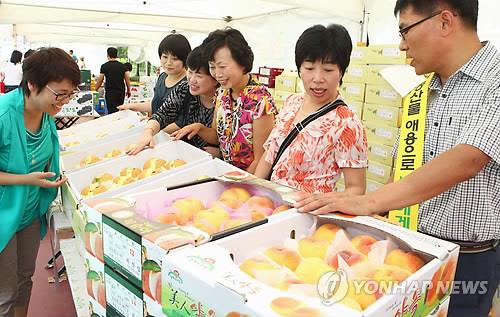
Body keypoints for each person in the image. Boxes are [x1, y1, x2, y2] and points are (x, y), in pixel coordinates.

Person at [296, 1, 500, 316]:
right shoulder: (423, 92)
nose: (402, 44)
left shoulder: (496, 80)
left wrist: (368, 201)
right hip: (409, 248)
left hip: (466, 261)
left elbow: (469, 158)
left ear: (445, 21)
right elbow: (405, 170)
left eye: (405, 30)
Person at [0, 47, 79, 317]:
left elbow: (44, 156)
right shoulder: (3, 115)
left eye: (70, 94)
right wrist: (25, 179)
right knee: (4, 293)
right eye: (60, 94)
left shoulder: (47, 114)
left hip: (30, 211)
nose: (64, 102)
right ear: (32, 84)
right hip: (3, 213)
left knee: (23, 280)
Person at [254, 24, 367, 194]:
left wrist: (324, 204)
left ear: (341, 72)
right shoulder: (292, 102)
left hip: (308, 214)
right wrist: (254, 192)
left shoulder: (347, 122)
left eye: (328, 70)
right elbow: (270, 154)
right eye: (309, 68)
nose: (318, 78)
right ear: (299, 69)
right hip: (271, 205)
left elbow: (356, 188)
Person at [171, 28, 276, 173]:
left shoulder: (260, 100)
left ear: (242, 63)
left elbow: (262, 158)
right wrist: (199, 128)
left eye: (222, 67)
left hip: (249, 180)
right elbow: (218, 137)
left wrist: (241, 183)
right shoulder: (222, 93)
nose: (217, 74)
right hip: (225, 172)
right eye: (212, 67)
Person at [128, 45, 219, 155]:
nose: (192, 80)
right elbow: (163, 113)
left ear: (216, 77)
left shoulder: (225, 99)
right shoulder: (184, 89)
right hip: (187, 153)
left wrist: (221, 152)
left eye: (199, 75)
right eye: (190, 72)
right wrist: (148, 131)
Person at [117, 34, 191, 114]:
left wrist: (153, 125)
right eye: (165, 57)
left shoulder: (189, 83)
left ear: (185, 59)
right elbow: (155, 106)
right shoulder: (162, 77)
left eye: (175, 59)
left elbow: (184, 119)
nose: (169, 63)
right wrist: (131, 106)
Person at [95, 47, 131, 114]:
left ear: (107, 55)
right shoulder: (123, 66)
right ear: (116, 55)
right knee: (119, 109)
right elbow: (127, 79)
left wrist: (96, 89)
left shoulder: (104, 66)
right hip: (120, 92)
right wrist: (129, 90)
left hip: (110, 92)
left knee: (111, 111)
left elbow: (100, 79)